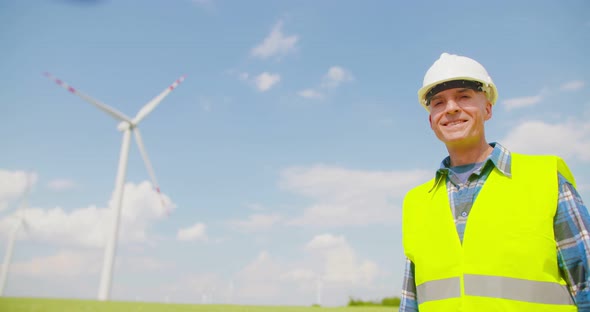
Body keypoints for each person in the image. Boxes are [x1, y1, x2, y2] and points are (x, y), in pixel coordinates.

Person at [399, 52, 590, 312]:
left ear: (487, 108)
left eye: (464, 96)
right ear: (431, 119)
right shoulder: (417, 203)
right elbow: (411, 302)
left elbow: (586, 281)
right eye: (438, 102)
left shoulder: (545, 178)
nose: (451, 108)